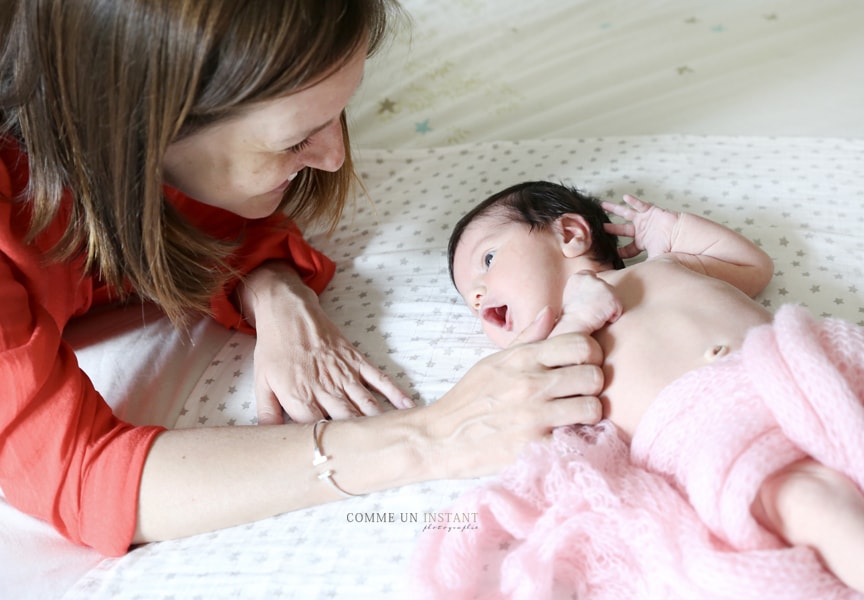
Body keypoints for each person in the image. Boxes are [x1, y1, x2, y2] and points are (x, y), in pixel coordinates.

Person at [0, 2, 607, 557]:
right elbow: (87, 476)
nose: (335, 156)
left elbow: (202, 216)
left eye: (341, 111)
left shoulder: (127, 132)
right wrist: (432, 436)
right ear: (133, 127)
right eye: (295, 140)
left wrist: (273, 291)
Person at [448, 180, 864, 599]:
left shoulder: (665, 266)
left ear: (570, 234)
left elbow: (753, 267)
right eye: (470, 297)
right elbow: (556, 417)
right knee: (809, 501)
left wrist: (673, 230)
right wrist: (578, 321)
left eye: (487, 262)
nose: (478, 295)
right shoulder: (549, 353)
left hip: (792, 373)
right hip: (704, 430)